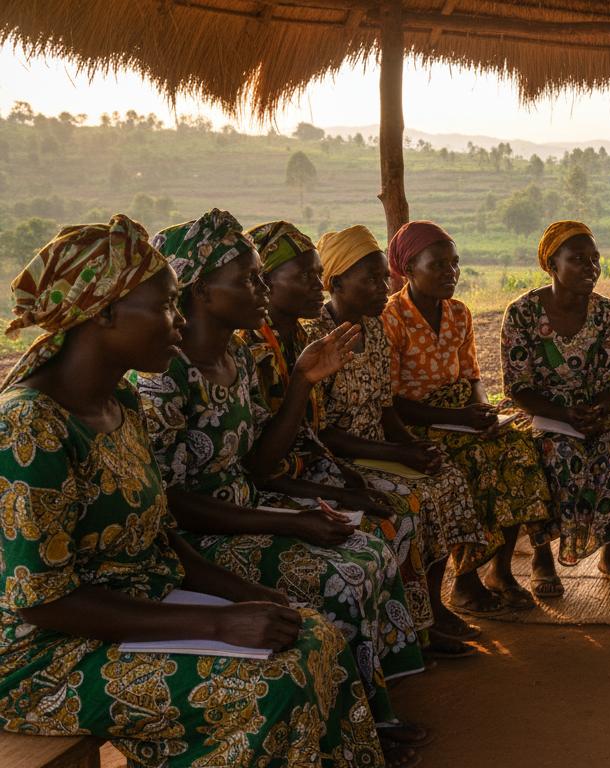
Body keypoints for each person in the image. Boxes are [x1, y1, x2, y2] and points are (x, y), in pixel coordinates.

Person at [0, 215, 384, 767]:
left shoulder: (118, 405)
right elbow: (45, 602)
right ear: (103, 314)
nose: (178, 322)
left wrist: (245, 595)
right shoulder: (31, 427)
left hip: (138, 605)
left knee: (311, 634)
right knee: (264, 683)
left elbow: (160, 534)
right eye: (163, 307)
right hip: (46, 657)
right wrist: (217, 622)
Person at [134, 210, 427, 765]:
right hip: (203, 536)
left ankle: (363, 709)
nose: (262, 289)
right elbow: (171, 504)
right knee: (340, 574)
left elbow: (259, 463)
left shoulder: (238, 356)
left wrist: (301, 382)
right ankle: (342, 732)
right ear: (201, 292)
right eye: (248, 279)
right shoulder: (163, 377)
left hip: (248, 507)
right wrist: (290, 521)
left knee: (366, 547)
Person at [312, 224, 490, 644]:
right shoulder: (316, 336)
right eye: (371, 279)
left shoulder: (372, 329)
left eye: (382, 278)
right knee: (411, 500)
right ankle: (414, 625)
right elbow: (323, 433)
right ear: (336, 283)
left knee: (445, 479)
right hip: (338, 456)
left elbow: (385, 407)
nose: (383, 287)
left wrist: (411, 446)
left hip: (376, 446)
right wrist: (397, 451)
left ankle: (434, 606)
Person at [381, 220, 550, 614]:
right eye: (437, 265)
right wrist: (457, 415)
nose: (450, 273)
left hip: (460, 413)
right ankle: (465, 581)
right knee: (478, 463)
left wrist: (484, 410)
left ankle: (501, 572)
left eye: (454, 264)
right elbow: (391, 401)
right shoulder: (391, 320)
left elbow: (472, 375)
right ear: (408, 270)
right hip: (416, 423)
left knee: (520, 450)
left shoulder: (458, 312)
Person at [501, 221, 610, 591]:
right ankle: (542, 558)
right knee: (556, 451)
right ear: (552, 265)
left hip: (595, 410)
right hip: (540, 412)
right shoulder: (522, 313)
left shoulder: (607, 313)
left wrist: (597, 412)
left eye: (595, 259)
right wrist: (564, 415)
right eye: (577, 259)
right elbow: (517, 388)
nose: (591, 268)